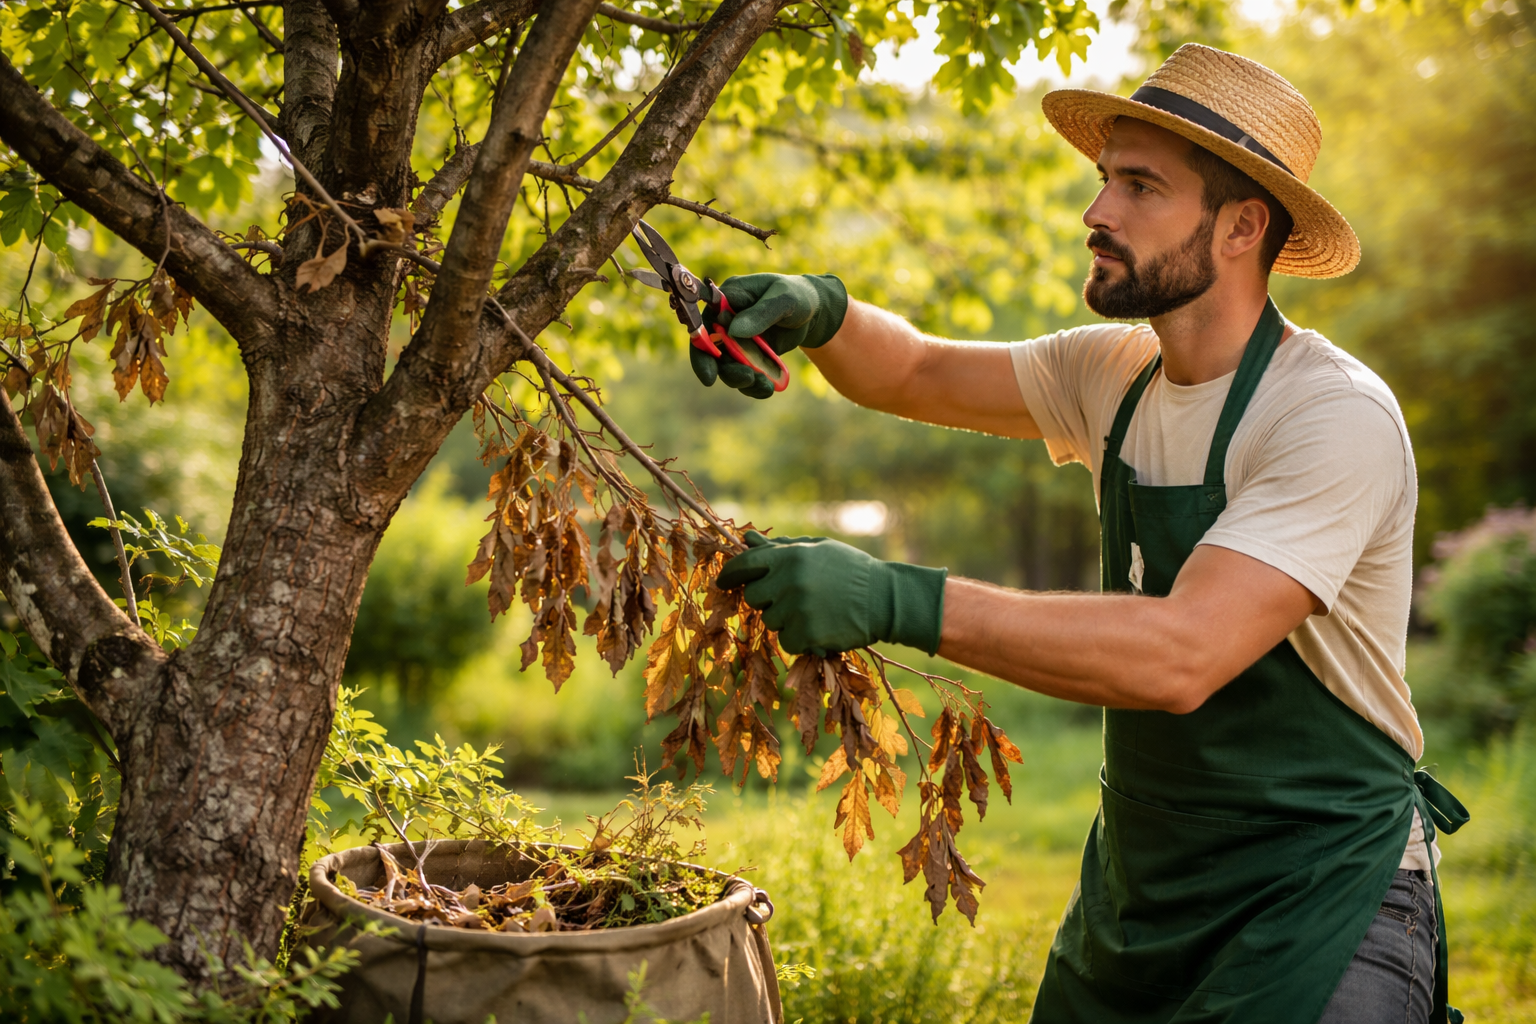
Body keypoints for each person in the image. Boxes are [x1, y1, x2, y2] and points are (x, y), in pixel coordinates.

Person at [701, 43, 1469, 1024]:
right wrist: (819, 311)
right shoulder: (1116, 371)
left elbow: (1183, 654)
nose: (1096, 213)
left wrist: (899, 598)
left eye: (1140, 186)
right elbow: (920, 371)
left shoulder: (1329, 416)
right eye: (1106, 180)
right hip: (1143, 886)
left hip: (1319, 889)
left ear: (1242, 226)